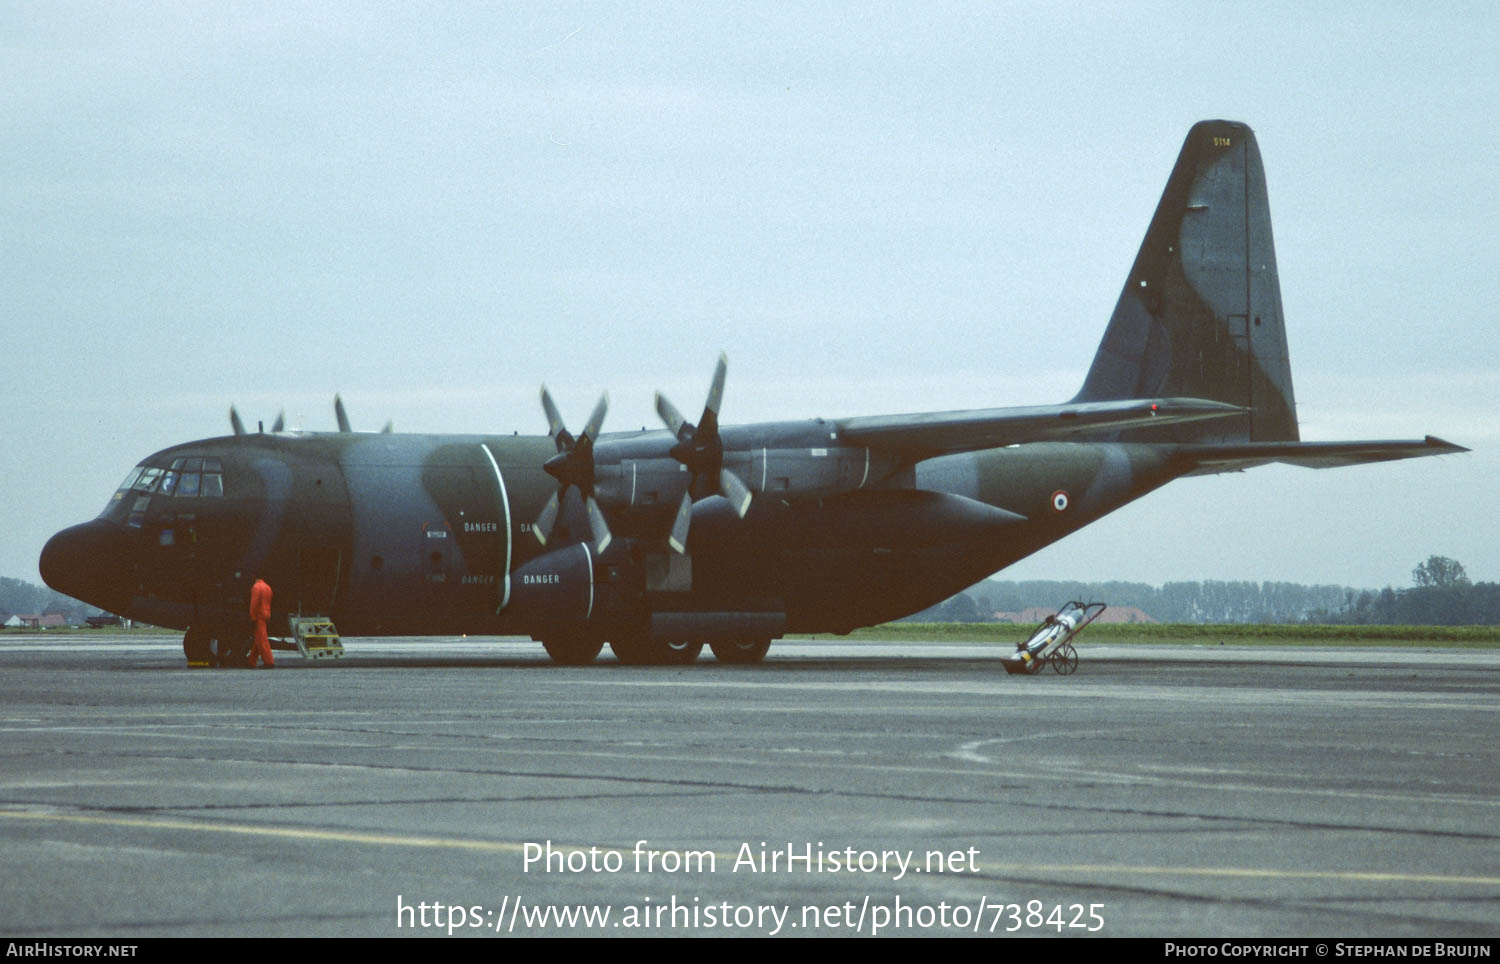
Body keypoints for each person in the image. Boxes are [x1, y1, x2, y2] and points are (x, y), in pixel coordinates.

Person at [248, 576, 275, 668]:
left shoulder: (256, 587)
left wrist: (252, 617)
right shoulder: (268, 587)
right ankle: (251, 661)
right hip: (266, 613)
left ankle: (269, 662)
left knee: (262, 639)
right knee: (258, 638)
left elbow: (254, 603)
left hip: (259, 615)